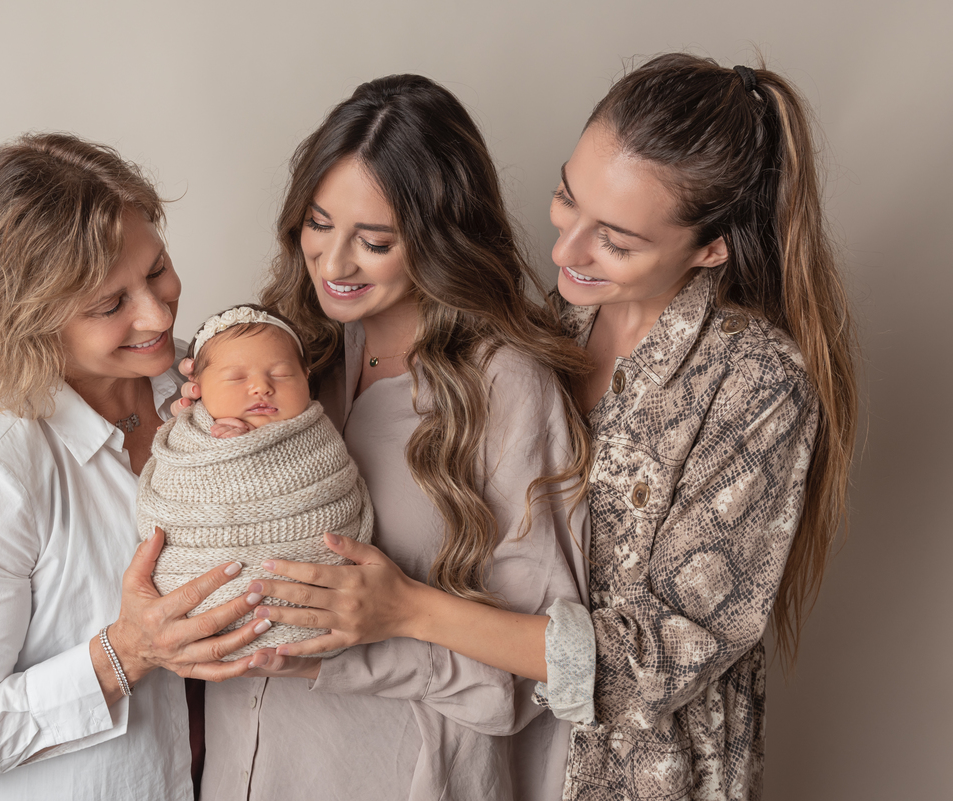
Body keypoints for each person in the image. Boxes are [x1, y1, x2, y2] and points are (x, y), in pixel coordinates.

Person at [250, 55, 859, 800]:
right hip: (515, 756)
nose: (565, 250)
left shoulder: (756, 382)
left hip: (642, 774)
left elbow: (660, 660)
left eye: (617, 240)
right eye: (567, 198)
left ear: (712, 247)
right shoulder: (553, 325)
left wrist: (407, 608)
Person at [179, 74, 594, 801]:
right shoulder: (288, 355)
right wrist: (191, 439)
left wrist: (368, 633)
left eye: (374, 242)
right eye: (318, 224)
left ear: (442, 241)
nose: (334, 263)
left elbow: (547, 672)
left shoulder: (505, 387)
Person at [0, 133, 268, 801]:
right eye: (110, 305)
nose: (157, 314)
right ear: (29, 320)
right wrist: (128, 651)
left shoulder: (206, 384)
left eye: (157, 269)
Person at [136, 305, 374, 661]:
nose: (262, 387)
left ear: (307, 378)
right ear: (197, 388)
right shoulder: (190, 438)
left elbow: (335, 489)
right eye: (236, 378)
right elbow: (177, 506)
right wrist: (223, 453)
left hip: (321, 605)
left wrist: (258, 449)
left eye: (281, 374)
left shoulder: (318, 438)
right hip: (206, 611)